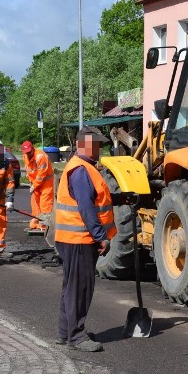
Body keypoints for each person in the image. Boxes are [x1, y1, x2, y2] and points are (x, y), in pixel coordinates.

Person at [54, 126, 116, 352]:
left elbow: (93, 200)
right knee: (80, 289)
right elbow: (86, 208)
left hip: (73, 238)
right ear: (85, 145)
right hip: (79, 239)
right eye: (97, 145)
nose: (100, 149)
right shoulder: (81, 170)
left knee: (71, 288)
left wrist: (118, 199)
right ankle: (77, 337)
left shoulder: (81, 167)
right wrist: (102, 237)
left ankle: (65, 332)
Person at [21, 140, 54, 233]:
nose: (28, 154)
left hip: (46, 184)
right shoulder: (25, 156)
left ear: (33, 148)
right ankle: (36, 222)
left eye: (29, 152)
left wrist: (34, 185)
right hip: (35, 183)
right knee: (35, 204)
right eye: (26, 153)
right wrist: (29, 178)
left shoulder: (40, 157)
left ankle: (44, 225)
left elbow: (41, 175)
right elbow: (29, 169)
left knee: (45, 205)